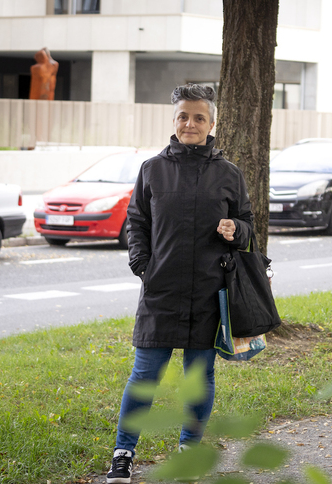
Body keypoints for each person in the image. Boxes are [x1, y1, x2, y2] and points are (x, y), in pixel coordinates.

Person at [106, 84, 254, 484]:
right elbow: (136, 221)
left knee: (199, 377)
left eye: (199, 117)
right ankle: (123, 453)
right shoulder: (152, 169)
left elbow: (249, 227)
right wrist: (142, 265)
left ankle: (190, 446)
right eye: (183, 117)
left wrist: (235, 229)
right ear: (174, 121)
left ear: (212, 123)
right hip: (161, 291)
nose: (190, 124)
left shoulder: (229, 174)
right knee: (144, 375)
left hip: (209, 293)